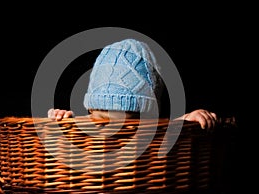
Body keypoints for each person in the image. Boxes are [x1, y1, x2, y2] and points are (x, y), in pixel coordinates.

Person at [48, 39, 217, 131]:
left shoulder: (153, 131)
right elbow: (71, 126)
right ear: (90, 110)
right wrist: (60, 118)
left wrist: (186, 120)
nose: (110, 132)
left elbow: (164, 130)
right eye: (99, 120)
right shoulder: (84, 129)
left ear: (151, 117)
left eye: (127, 124)